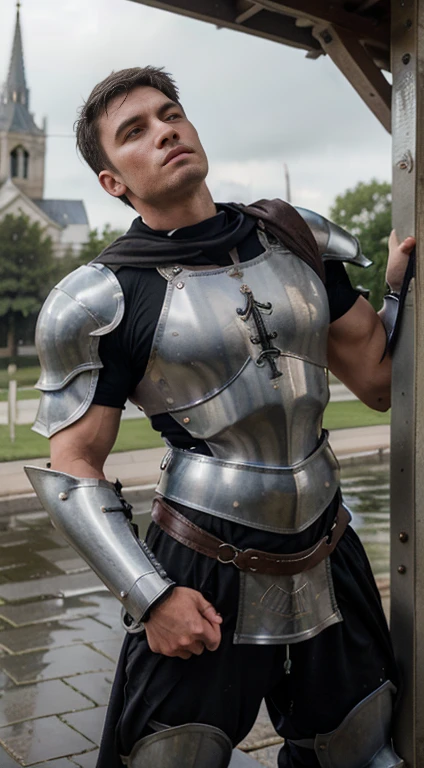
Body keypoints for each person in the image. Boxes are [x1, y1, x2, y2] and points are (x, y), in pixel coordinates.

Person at [25, 67, 414, 768]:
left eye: (170, 113)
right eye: (135, 131)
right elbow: (72, 468)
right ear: (114, 182)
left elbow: (380, 382)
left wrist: (402, 293)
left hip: (329, 544)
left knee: (362, 748)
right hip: (203, 563)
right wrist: (150, 598)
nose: (164, 130)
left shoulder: (298, 238)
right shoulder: (99, 299)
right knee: (170, 758)